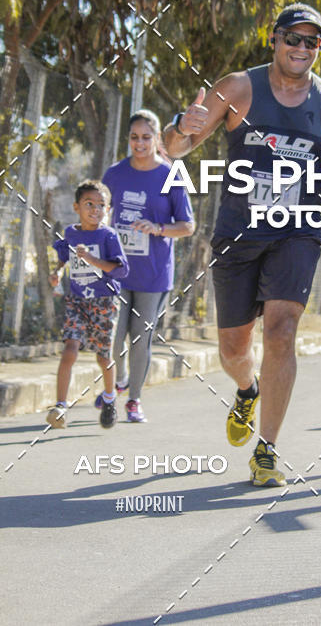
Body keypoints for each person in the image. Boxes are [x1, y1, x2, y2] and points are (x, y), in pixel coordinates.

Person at [164, 3, 321, 487]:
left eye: (312, 41)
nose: (301, 48)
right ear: (274, 39)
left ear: (319, 48)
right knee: (233, 348)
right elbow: (175, 148)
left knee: (281, 331)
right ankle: (246, 389)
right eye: (293, 37)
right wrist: (180, 127)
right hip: (238, 233)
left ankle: (267, 450)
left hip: (298, 231)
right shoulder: (237, 88)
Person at [102, 110, 194, 422]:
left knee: (140, 338)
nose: (139, 143)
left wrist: (157, 228)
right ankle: (120, 378)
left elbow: (187, 226)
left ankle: (134, 400)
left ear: (157, 140)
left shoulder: (171, 175)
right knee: (113, 338)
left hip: (153, 274)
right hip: (116, 271)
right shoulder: (114, 174)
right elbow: (100, 215)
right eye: (134, 137)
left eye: (146, 137)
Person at [47, 180, 129, 429]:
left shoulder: (108, 235)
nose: (95, 209)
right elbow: (64, 257)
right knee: (69, 349)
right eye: (89, 204)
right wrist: (58, 273)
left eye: (101, 205)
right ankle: (60, 406)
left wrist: (92, 259)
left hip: (104, 303)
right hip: (77, 301)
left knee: (103, 358)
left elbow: (121, 269)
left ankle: (109, 398)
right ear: (76, 207)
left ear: (108, 209)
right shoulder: (71, 233)